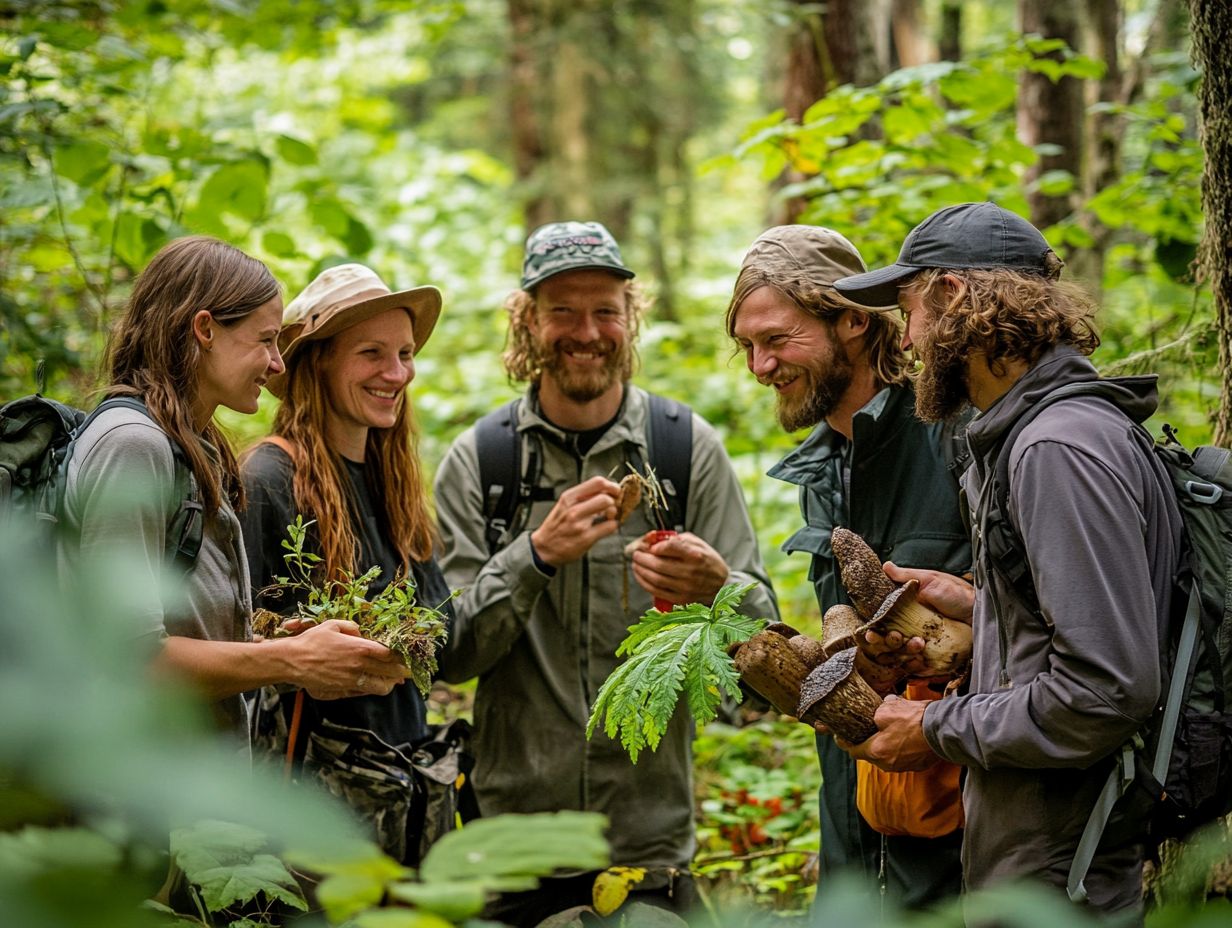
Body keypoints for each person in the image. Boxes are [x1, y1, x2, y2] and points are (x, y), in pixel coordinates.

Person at [832, 202, 1183, 918]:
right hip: (1043, 851)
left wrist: (932, 729)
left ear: (953, 295)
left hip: (1061, 870)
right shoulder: (1036, 433)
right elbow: (1088, 627)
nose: (912, 341)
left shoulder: (1055, 448)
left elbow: (1106, 690)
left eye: (911, 311)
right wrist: (982, 606)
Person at [434, 220, 779, 925]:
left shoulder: (685, 452)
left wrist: (719, 590)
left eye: (604, 312)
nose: (585, 331)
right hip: (511, 844)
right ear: (527, 321)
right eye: (561, 310)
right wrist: (534, 555)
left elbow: (766, 652)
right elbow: (451, 651)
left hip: (648, 842)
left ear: (632, 319)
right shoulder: (482, 462)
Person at [59, 236, 409, 740]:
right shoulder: (132, 446)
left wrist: (279, 647)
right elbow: (131, 661)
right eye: (265, 339)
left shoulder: (191, 446)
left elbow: (182, 631)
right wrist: (290, 659)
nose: (277, 364)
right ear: (205, 329)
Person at [726, 225, 969, 908]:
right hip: (854, 844)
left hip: (962, 853)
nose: (760, 367)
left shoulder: (954, 436)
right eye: (748, 347)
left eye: (777, 340)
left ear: (855, 320)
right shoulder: (818, 470)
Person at [239, 263, 456, 864]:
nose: (397, 373)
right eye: (372, 353)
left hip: (400, 800)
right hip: (307, 823)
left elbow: (446, 630)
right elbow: (236, 654)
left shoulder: (395, 484)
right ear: (319, 361)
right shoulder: (268, 479)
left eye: (406, 353)